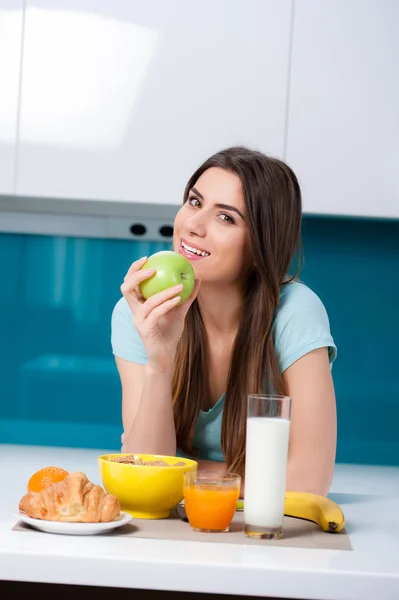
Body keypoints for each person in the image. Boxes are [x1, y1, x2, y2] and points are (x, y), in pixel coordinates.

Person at [111, 146, 337, 497]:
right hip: (180, 519)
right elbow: (147, 475)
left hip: (265, 526)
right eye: (195, 202)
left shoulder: (294, 312)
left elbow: (309, 484)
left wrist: (189, 470)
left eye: (226, 217)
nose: (193, 225)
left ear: (262, 240)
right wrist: (159, 359)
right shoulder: (138, 311)